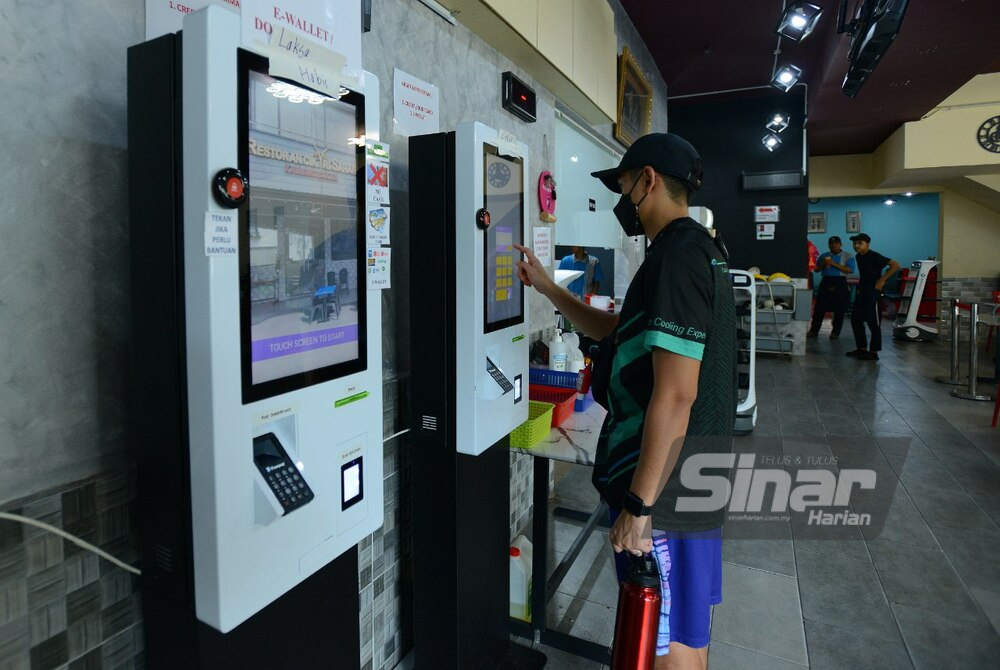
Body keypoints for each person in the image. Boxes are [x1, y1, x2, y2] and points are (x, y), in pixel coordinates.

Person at [514, 133, 735, 670]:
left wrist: (639, 506)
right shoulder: (684, 251)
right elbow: (618, 331)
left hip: (668, 490)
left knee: (666, 641)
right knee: (677, 626)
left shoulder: (679, 257)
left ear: (648, 180)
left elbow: (677, 394)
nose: (621, 197)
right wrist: (548, 289)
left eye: (622, 184)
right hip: (687, 479)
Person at [846, 233, 900, 361]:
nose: (856, 245)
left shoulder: (873, 255)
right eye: (855, 243)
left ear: (867, 244)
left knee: (873, 322)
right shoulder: (858, 256)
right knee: (856, 320)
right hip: (862, 291)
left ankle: (874, 352)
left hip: (873, 291)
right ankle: (862, 349)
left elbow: (895, 265)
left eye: (860, 243)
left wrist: (883, 279)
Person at [807, 236, 856, 338]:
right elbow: (816, 270)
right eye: (831, 243)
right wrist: (823, 265)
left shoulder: (848, 256)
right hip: (826, 281)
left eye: (836, 243)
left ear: (840, 244)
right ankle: (814, 331)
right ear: (828, 245)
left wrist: (834, 264)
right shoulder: (824, 256)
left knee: (839, 309)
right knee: (819, 307)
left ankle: (835, 332)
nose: (833, 245)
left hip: (840, 282)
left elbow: (850, 270)